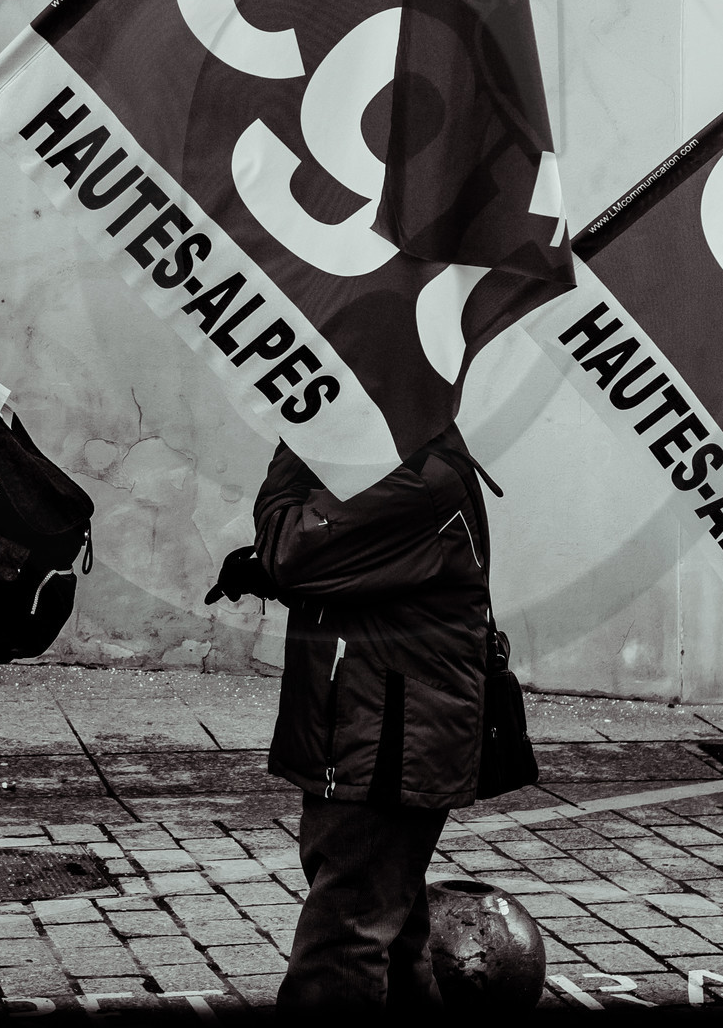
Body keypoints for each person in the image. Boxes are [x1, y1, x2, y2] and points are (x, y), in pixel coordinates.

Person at [206, 424, 493, 1016]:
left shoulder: (416, 478)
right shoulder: (393, 462)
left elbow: (292, 544)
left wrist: (297, 441)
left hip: (388, 737)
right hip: (374, 725)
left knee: (343, 946)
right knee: (392, 934)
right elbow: (348, 568)